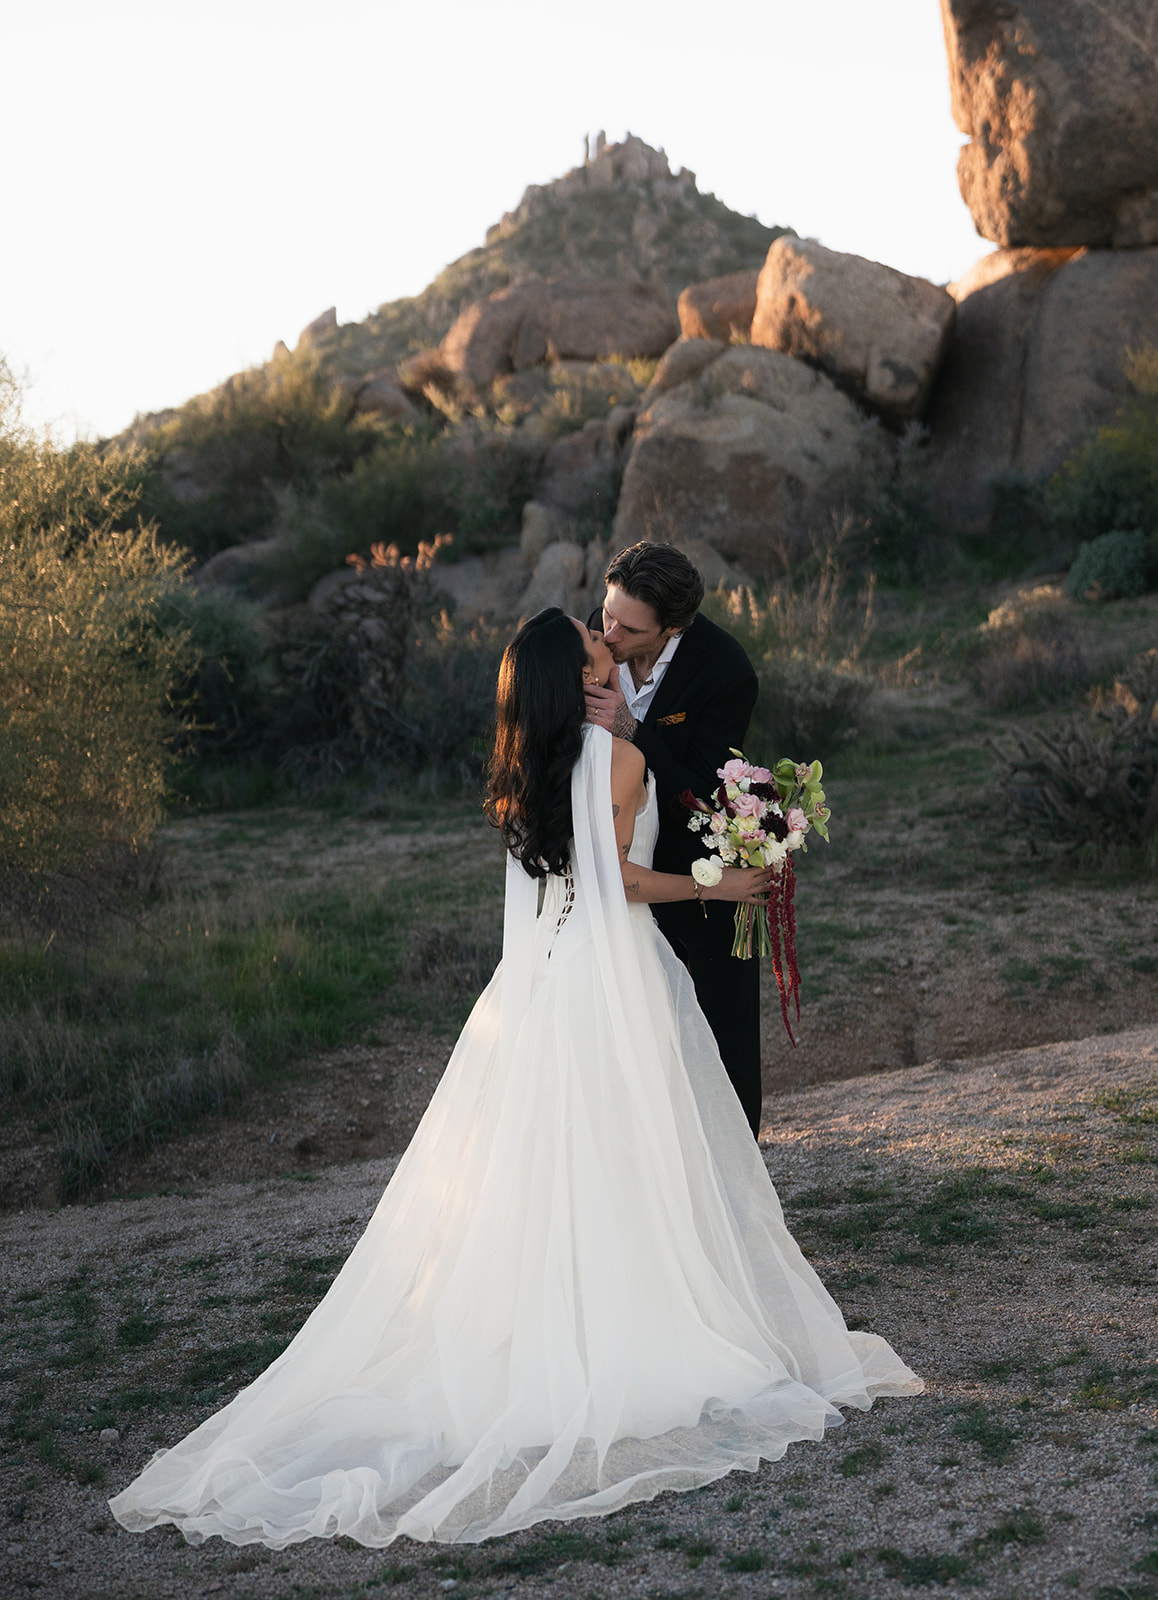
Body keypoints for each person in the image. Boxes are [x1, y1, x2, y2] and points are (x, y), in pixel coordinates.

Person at [109, 608, 920, 1551]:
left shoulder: (525, 767)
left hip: (538, 983)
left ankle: (557, 1323)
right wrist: (719, 885)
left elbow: (565, 880)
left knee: (555, 1162)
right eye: (595, 649)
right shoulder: (617, 763)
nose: (608, 652)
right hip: (615, 972)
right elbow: (617, 883)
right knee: (631, 1149)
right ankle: (637, 1324)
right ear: (573, 675)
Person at [585, 542, 764, 1135]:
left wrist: (631, 730)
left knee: (720, 1030)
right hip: (616, 868)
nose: (607, 633)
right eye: (606, 613)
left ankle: (734, 1182)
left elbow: (705, 792)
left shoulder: (725, 670)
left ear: (674, 626)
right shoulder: (598, 634)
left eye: (628, 628)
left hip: (703, 872)